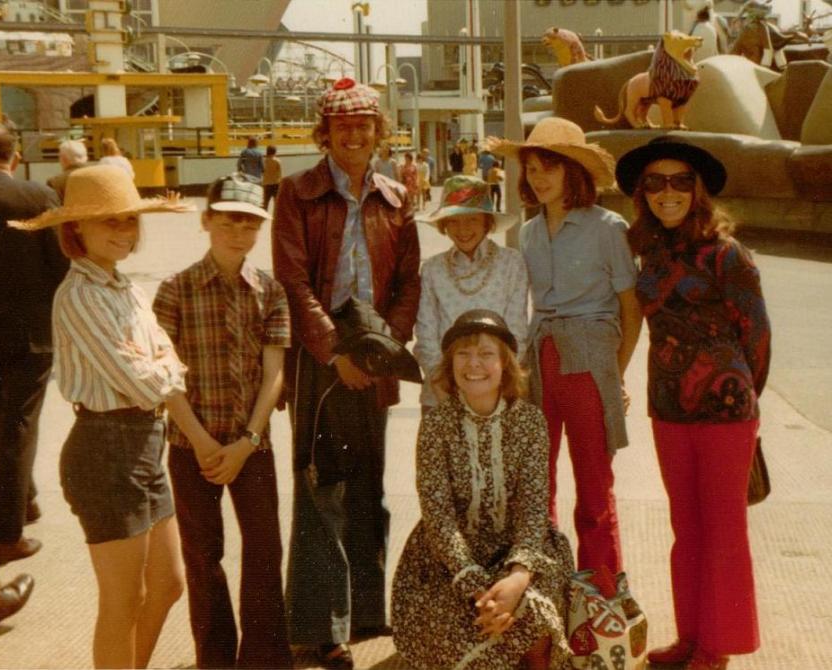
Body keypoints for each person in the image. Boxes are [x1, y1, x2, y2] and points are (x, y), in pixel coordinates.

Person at [10, 164, 193, 668]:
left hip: (144, 444)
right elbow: (146, 378)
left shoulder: (123, 287)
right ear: (76, 230)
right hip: (105, 450)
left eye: (129, 221)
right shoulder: (79, 294)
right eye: (108, 221)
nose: (122, 230)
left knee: (169, 583)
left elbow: (167, 359)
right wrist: (159, 366)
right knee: (123, 599)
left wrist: (159, 365)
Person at [272, 77, 420, 669]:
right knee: (320, 487)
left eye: (364, 125)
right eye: (342, 126)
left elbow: (410, 283)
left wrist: (381, 350)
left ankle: (364, 610)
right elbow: (292, 279)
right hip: (320, 363)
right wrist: (336, 352)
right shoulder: (296, 192)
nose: (354, 135)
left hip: (373, 357)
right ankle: (319, 628)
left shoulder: (395, 197)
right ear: (325, 133)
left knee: (369, 488)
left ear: (378, 131)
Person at [616, 136, 771, 670]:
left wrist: (738, 395)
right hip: (670, 409)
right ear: (643, 192)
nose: (668, 192)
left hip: (726, 412)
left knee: (723, 531)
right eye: (655, 182)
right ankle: (688, 637)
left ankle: (716, 646)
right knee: (686, 529)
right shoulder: (650, 249)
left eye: (680, 181)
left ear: (697, 189)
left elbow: (757, 336)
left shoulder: (728, 254)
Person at [153, 173, 293, 669]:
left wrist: (247, 441)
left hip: (251, 445)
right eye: (229, 221)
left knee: (262, 553)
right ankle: (213, 659)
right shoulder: (174, 291)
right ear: (206, 221)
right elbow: (165, 377)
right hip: (192, 444)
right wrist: (201, 439)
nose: (239, 232)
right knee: (202, 557)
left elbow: (274, 372)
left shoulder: (270, 291)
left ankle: (262, 658)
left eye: (250, 224)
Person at [491, 117, 642, 576]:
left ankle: (602, 593)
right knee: (538, 483)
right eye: (531, 169)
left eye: (548, 169)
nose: (537, 179)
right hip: (539, 357)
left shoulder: (608, 227)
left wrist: (616, 374)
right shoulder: (528, 233)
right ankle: (547, 589)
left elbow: (630, 308)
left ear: (573, 172)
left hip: (589, 356)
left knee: (594, 484)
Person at [392, 309, 574, 670]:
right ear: (450, 363)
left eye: (486, 354)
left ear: (505, 364)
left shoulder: (531, 422)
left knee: (536, 620)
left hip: (520, 550)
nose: (473, 364)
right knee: (456, 626)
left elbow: (534, 509)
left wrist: (518, 578)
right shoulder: (436, 425)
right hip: (451, 559)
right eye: (463, 353)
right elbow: (439, 519)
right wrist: (480, 590)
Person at [0, 122, 67, 566]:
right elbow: (61, 267)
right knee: (19, 426)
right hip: (30, 336)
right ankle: (5, 533)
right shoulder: (38, 198)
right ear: (15, 157)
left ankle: (23, 500)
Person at [415, 175, 527, 412]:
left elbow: (516, 332)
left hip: (497, 392)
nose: (463, 229)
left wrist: (492, 387)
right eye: (454, 221)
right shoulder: (433, 268)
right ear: (444, 224)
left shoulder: (511, 263)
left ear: (488, 222)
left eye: (472, 220)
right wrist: (441, 384)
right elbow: (425, 333)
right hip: (441, 393)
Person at [262, 144, 282, 209]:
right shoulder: (277, 161)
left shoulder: (264, 161)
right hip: (275, 184)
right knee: (277, 203)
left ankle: (264, 217)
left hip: (266, 184)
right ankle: (275, 217)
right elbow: (279, 174)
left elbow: (262, 172)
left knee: (265, 203)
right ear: (275, 152)